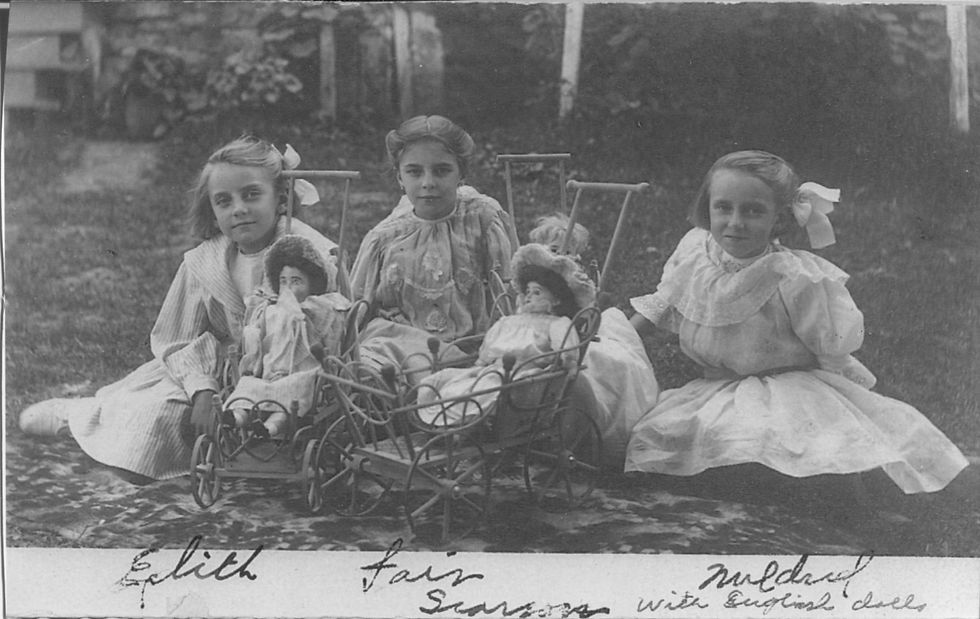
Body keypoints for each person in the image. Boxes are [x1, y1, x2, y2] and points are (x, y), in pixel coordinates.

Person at [625, 150, 968, 494]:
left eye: (754, 211)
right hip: (717, 386)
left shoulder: (792, 275)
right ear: (707, 206)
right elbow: (665, 302)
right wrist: (622, 336)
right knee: (666, 435)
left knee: (797, 442)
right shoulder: (695, 253)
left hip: (787, 387)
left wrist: (849, 387)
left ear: (779, 218)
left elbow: (828, 340)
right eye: (723, 207)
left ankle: (832, 493)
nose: (735, 222)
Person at [18, 135, 338, 482]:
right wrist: (203, 389)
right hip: (222, 371)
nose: (239, 209)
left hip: (293, 370)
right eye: (223, 201)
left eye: (251, 195)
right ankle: (81, 415)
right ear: (213, 214)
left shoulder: (309, 252)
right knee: (157, 416)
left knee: (307, 423)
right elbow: (178, 338)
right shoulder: (206, 262)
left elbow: (336, 317)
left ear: (281, 198)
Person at [349, 115, 515, 384]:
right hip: (402, 342)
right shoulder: (385, 237)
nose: (428, 182)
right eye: (414, 172)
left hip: (471, 346)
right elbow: (358, 302)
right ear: (399, 178)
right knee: (379, 366)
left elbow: (507, 290)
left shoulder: (481, 219)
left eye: (441, 170)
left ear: (461, 173)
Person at [528, 214, 661, 468]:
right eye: (554, 250)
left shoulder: (576, 283)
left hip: (576, 332)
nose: (561, 257)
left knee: (600, 363)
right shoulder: (534, 279)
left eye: (569, 252)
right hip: (543, 330)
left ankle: (582, 426)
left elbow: (584, 314)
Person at [416, 243, 594, 427]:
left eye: (537, 292)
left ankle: (469, 424)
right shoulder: (509, 321)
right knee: (455, 384)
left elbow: (567, 348)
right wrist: (481, 363)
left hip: (524, 376)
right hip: (495, 370)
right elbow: (489, 347)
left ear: (556, 300)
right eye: (527, 292)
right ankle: (452, 423)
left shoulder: (557, 324)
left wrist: (569, 362)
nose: (528, 297)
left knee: (490, 389)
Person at [224, 234, 349, 438]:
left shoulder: (318, 309)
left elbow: (330, 334)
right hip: (269, 372)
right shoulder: (271, 309)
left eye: (296, 281)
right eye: (283, 282)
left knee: (293, 393)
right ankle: (238, 416)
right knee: (248, 387)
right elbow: (256, 337)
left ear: (313, 285)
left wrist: (298, 313)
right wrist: (254, 332)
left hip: (303, 371)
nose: (288, 289)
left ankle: (271, 427)